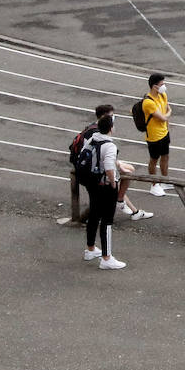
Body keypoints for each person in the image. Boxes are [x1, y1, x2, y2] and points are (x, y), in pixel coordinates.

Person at [81, 115, 126, 270]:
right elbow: (108, 167)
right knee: (107, 220)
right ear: (111, 128)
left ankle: (91, 249)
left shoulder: (92, 139)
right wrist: (113, 183)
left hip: (91, 182)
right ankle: (106, 258)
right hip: (105, 185)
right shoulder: (110, 146)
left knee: (94, 214)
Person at [140, 73, 172, 197]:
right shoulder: (148, 102)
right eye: (162, 84)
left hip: (164, 133)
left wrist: (167, 127)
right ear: (154, 86)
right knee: (154, 159)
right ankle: (154, 185)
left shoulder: (163, 95)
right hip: (153, 136)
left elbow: (165, 111)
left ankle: (164, 180)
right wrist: (169, 113)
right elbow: (163, 117)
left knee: (165, 156)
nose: (164, 86)